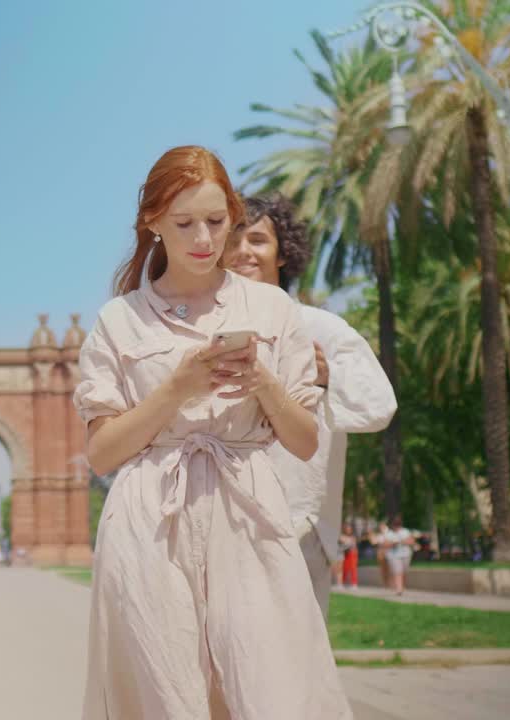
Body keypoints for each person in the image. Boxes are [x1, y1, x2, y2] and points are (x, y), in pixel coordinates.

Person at [75, 146, 351, 718]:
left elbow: (304, 442)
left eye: (217, 220)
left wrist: (263, 383)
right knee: (167, 690)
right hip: (151, 522)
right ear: (152, 224)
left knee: (268, 689)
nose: (204, 237)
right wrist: (177, 387)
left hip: (249, 515)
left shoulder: (273, 309)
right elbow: (102, 452)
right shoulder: (119, 320)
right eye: (184, 223)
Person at [223, 192, 396, 617]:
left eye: (258, 240)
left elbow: (379, 405)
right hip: (220, 525)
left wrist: (327, 376)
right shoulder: (205, 330)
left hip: (299, 527)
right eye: (234, 240)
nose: (244, 251)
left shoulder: (321, 328)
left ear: (283, 254)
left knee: (294, 669)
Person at [383, 515, 415, 595]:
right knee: (397, 572)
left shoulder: (405, 531)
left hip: (405, 555)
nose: (396, 526)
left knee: (404, 572)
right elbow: (385, 544)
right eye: (395, 524)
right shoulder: (389, 533)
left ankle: (402, 586)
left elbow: (412, 541)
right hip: (393, 556)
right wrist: (393, 544)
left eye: (398, 524)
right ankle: (399, 589)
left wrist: (404, 542)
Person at [337, 525, 359, 590]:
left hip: (352, 553)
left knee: (353, 568)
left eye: (349, 529)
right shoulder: (343, 536)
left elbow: (351, 544)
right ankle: (342, 583)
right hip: (346, 553)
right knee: (345, 569)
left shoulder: (353, 537)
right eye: (346, 529)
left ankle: (354, 583)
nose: (348, 530)